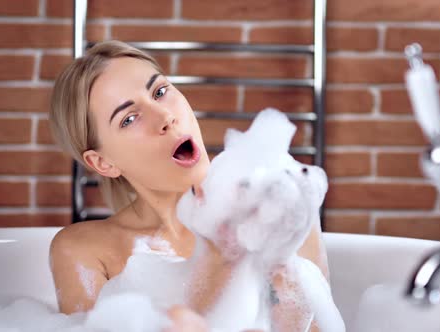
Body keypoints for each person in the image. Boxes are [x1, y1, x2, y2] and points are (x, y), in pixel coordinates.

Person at [48, 40, 329, 330]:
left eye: (160, 91)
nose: (165, 117)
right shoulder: (85, 250)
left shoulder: (278, 205)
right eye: (129, 118)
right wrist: (219, 264)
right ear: (102, 163)